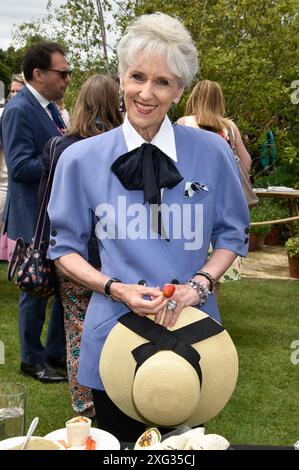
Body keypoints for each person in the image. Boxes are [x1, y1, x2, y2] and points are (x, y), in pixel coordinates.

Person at [47, 13, 249, 441]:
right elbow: (63, 249)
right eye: (137, 76)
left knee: (183, 450)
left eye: (163, 81)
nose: (146, 92)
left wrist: (200, 282)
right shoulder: (79, 159)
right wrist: (115, 288)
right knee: (118, 447)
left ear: (179, 90)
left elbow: (232, 235)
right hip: (114, 336)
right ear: (120, 77)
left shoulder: (213, 152)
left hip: (193, 336)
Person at [39, 74, 123, 417]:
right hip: (109, 253)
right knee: (116, 328)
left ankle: (84, 404)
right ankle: (120, 393)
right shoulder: (119, 149)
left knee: (77, 330)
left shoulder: (58, 146)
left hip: (70, 255)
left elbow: (47, 203)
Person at [0, 42, 72, 383]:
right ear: (38, 73)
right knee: (35, 288)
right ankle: (31, 359)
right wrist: (60, 156)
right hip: (32, 216)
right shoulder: (18, 109)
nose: (68, 79)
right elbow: (17, 167)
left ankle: (56, 352)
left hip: (50, 214)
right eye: (63, 72)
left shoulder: (50, 107)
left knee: (60, 285)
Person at [177, 79, 252, 287]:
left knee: (192, 255)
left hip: (192, 197)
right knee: (216, 259)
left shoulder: (185, 123)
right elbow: (246, 162)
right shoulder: (229, 126)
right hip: (221, 198)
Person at [0, 75, 25, 260]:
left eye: (19, 90)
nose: (15, 94)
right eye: (12, 91)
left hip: (12, 179)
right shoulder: (7, 112)